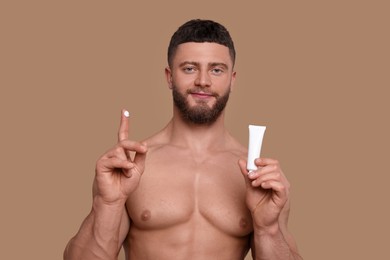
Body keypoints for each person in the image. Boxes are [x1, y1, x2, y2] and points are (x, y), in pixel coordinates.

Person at [64, 19, 303, 260]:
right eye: (189, 68)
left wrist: (268, 229)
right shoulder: (131, 167)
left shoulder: (259, 178)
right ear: (169, 77)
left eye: (216, 69)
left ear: (232, 79)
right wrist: (107, 204)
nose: (203, 81)